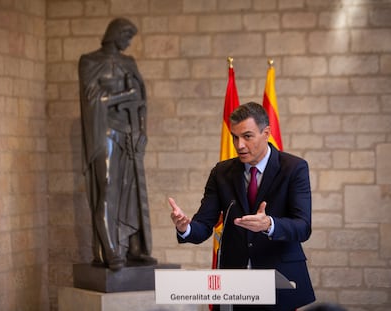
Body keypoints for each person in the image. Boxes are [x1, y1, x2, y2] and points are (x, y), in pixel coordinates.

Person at [169, 102, 315, 310]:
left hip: (279, 280)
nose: (239, 145)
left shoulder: (294, 168)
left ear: (266, 133)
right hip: (233, 285)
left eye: (247, 136)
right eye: (234, 137)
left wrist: (269, 225)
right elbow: (203, 225)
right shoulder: (222, 172)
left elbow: (303, 227)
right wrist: (185, 228)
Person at [78, 18, 156, 270]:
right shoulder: (89, 61)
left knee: (131, 190)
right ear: (114, 34)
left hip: (130, 132)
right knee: (109, 186)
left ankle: (134, 247)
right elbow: (93, 101)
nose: (128, 43)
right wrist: (124, 96)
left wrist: (142, 130)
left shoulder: (129, 63)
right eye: (126, 37)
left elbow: (141, 100)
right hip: (106, 131)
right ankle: (110, 250)